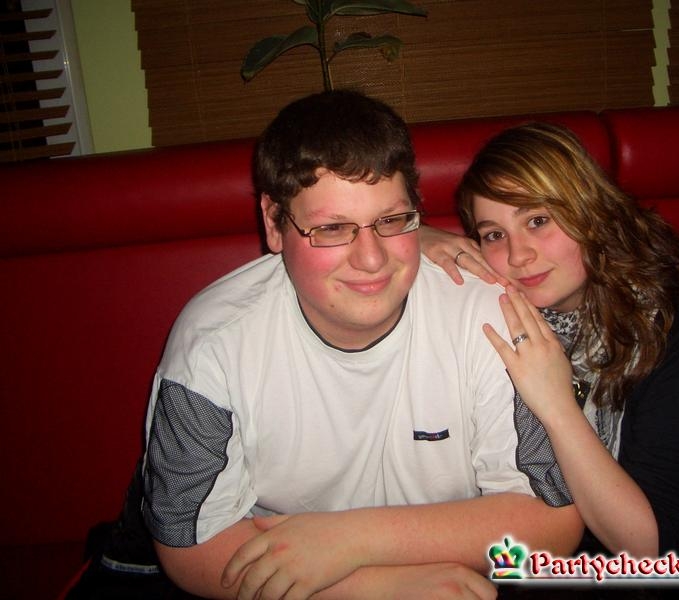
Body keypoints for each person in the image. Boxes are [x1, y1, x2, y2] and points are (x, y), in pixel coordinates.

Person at [141, 91, 582, 600]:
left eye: (391, 221)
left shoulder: (488, 316)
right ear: (274, 222)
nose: (371, 260)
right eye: (332, 228)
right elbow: (189, 545)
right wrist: (376, 587)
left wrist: (349, 541)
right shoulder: (213, 347)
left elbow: (554, 522)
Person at [420, 121, 679, 559]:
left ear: (591, 215)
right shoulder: (509, 311)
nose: (518, 255)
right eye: (494, 235)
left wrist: (555, 402)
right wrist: (419, 235)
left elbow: (648, 546)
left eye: (538, 221)